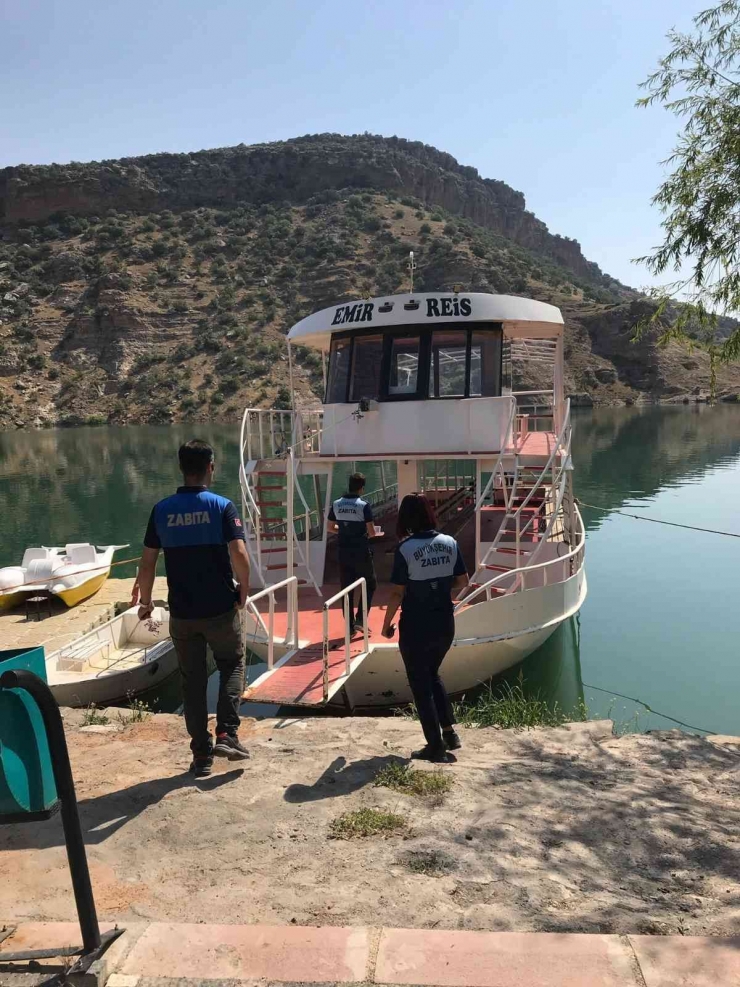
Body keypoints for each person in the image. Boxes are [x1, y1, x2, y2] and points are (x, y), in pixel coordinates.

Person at [137, 439, 252, 778]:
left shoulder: (161, 510)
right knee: (231, 663)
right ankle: (228, 734)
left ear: (181, 469)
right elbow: (240, 555)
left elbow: (147, 565)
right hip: (220, 608)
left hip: (183, 613)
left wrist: (146, 602)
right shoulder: (222, 506)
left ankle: (201, 755)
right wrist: (244, 589)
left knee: (192, 681)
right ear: (210, 468)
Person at [381, 493, 468, 763]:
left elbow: (397, 593)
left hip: (417, 625)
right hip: (444, 623)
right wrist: (438, 587)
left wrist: (387, 625)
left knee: (421, 685)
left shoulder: (405, 549)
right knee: (432, 675)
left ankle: (435, 747)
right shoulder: (450, 543)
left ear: (405, 518)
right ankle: (450, 733)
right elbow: (462, 581)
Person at [327, 472, 377, 636]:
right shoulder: (363, 505)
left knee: (347, 588)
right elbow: (371, 532)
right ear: (361, 488)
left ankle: (349, 626)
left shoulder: (336, 504)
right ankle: (361, 620)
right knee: (369, 583)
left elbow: (329, 527)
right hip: (361, 551)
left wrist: (344, 531)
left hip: (343, 551)